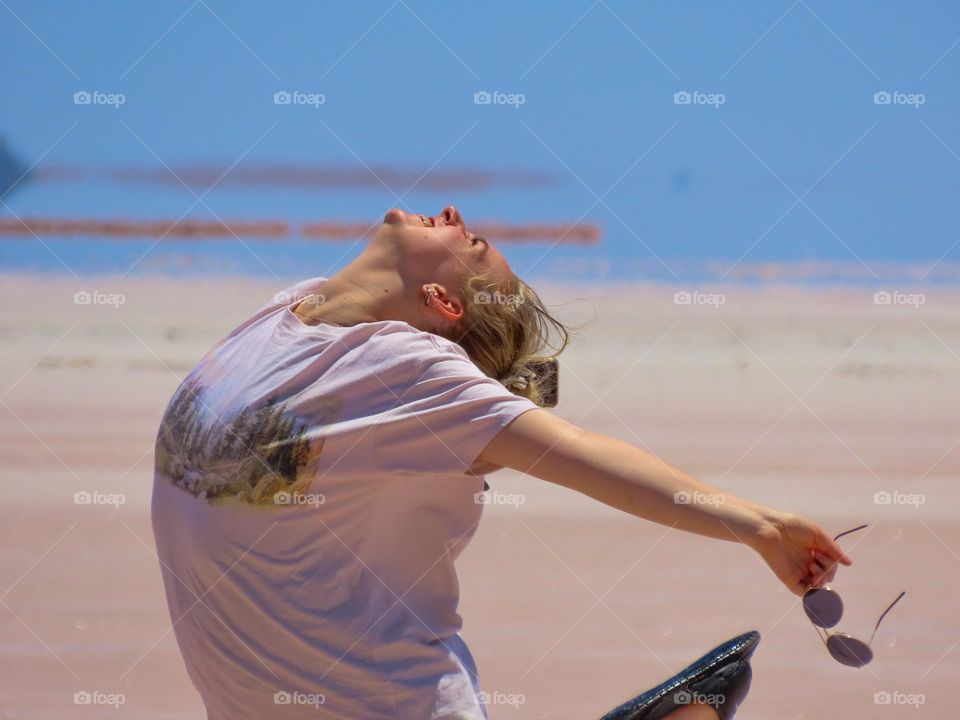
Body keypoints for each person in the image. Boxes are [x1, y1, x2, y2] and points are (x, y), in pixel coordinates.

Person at [151, 205, 851, 719]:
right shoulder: (282, 313)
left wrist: (760, 525)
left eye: (473, 243)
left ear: (443, 302)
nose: (455, 215)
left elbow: (588, 457)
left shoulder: (408, 370)